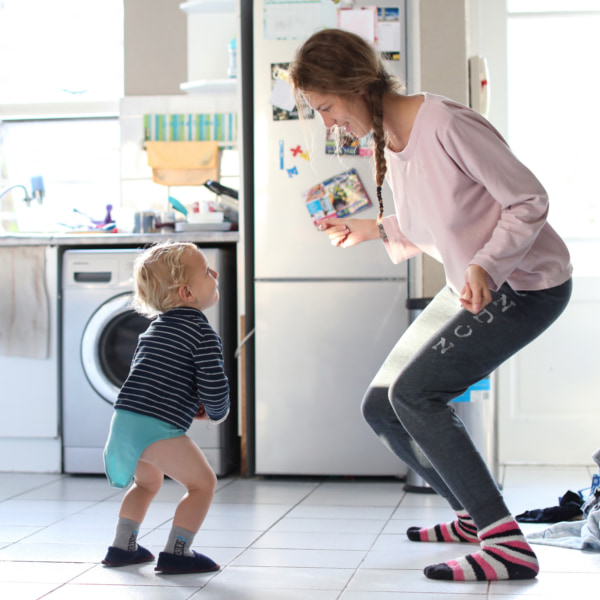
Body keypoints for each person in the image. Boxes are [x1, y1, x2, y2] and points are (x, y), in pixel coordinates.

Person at [289, 29, 572, 582]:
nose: (326, 123)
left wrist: (486, 265)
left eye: (325, 107)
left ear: (352, 85)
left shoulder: (443, 123)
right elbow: (440, 221)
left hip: (526, 284)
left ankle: (506, 545)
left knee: (416, 395)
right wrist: (371, 229)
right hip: (476, 284)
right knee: (382, 406)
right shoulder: (391, 139)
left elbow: (528, 199)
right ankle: (472, 516)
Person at [102, 241, 230, 574]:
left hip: (126, 421)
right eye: (206, 270)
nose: (213, 273)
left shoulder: (153, 330)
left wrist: (189, 399)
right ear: (187, 293)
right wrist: (217, 411)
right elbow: (214, 385)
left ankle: (122, 547)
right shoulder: (201, 332)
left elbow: (157, 378)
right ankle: (177, 552)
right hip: (157, 427)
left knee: (145, 484)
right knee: (202, 485)